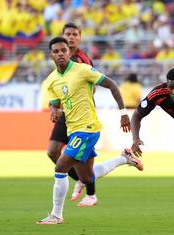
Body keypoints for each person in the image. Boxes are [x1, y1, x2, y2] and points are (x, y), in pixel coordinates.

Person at [37, 37, 143, 224]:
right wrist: (54, 112)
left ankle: (56, 215)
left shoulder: (83, 70)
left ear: (69, 52)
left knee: (60, 166)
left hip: (87, 128)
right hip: (73, 129)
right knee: (87, 177)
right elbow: (54, 104)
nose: (60, 53)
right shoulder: (51, 80)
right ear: (51, 55)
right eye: (56, 51)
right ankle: (124, 158)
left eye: (63, 50)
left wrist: (123, 113)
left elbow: (111, 84)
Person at [46, 23, 95, 206]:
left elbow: (93, 88)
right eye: (68, 34)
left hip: (82, 115)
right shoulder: (58, 58)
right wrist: (54, 109)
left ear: (80, 37)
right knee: (52, 152)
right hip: (65, 113)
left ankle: (90, 192)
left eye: (75, 34)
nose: (72, 37)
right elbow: (55, 89)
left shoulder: (83, 60)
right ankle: (82, 182)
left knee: (83, 162)